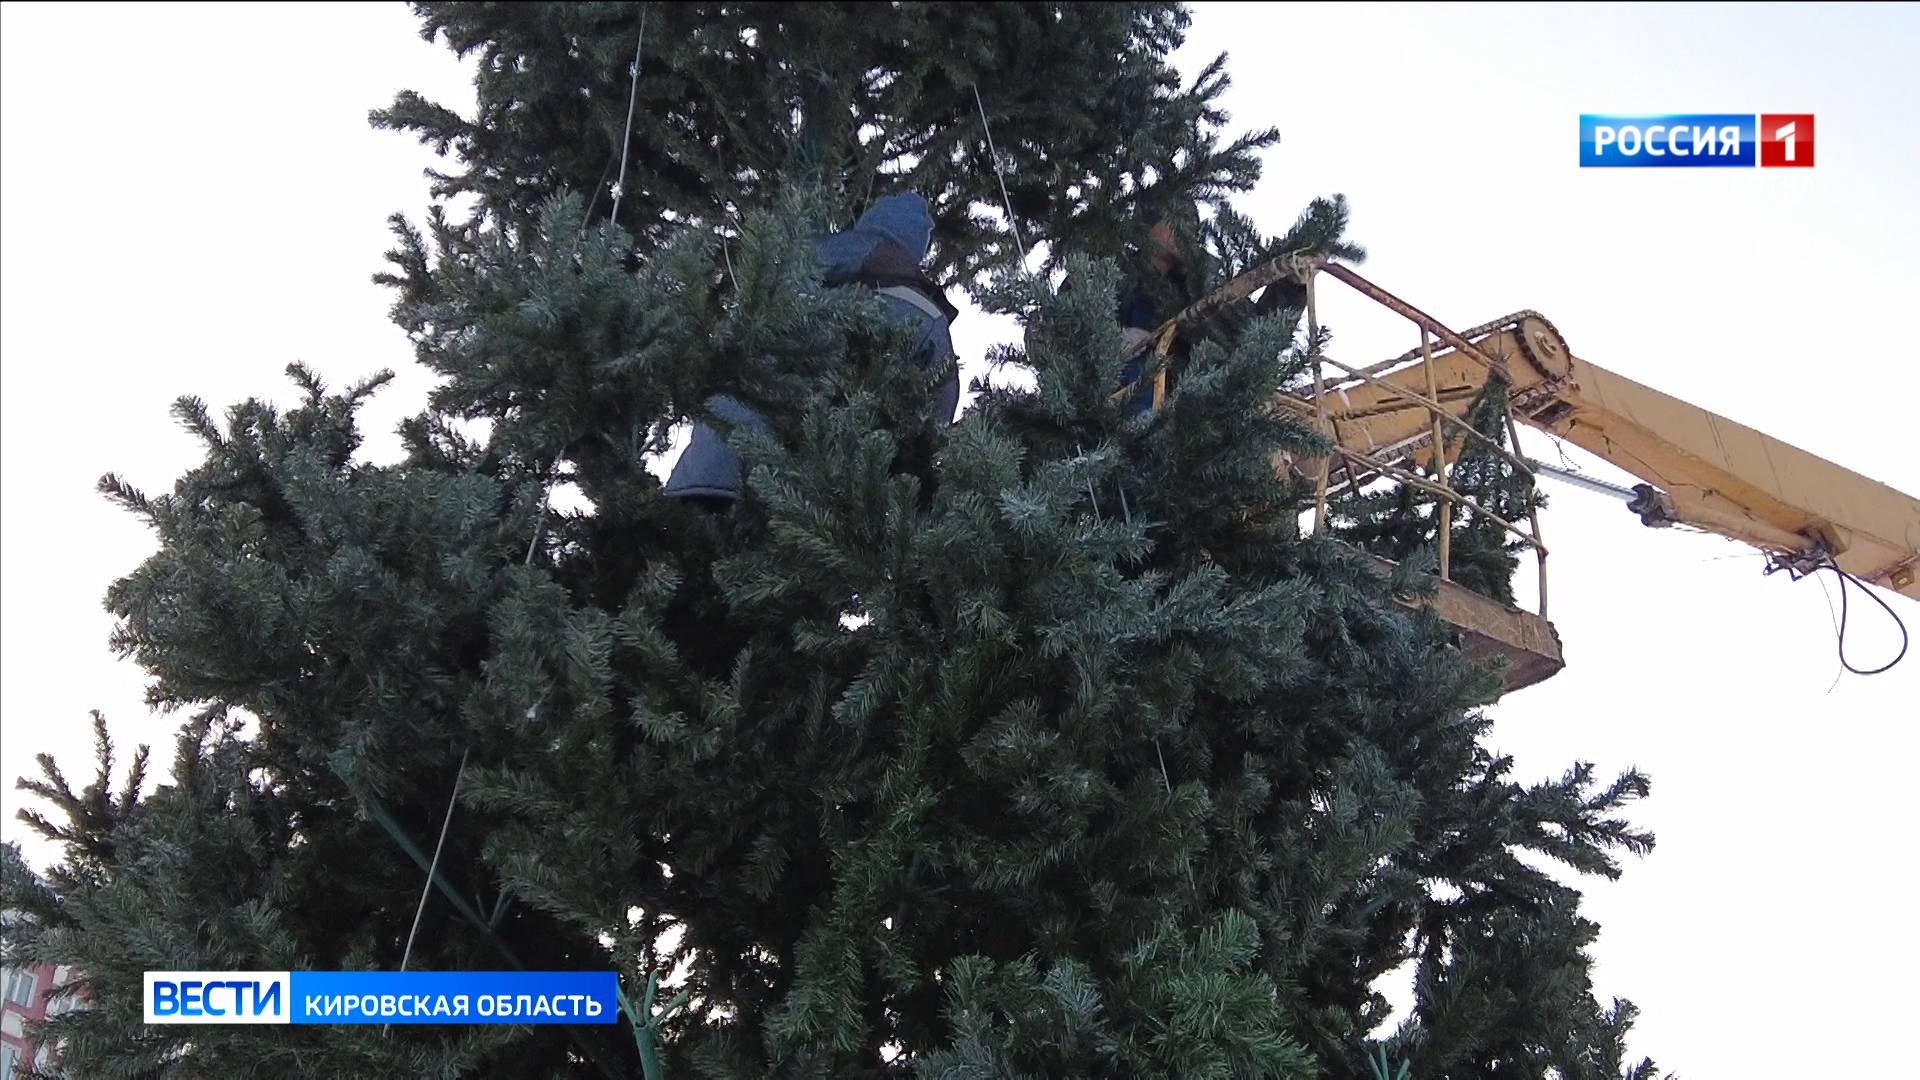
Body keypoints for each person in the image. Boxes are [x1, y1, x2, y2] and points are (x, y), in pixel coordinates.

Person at [664, 193, 960, 509]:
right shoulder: (925, 314)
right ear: (914, 251)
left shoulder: (801, 277)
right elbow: (936, 411)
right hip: (812, 503)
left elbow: (734, 346)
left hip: (712, 471)